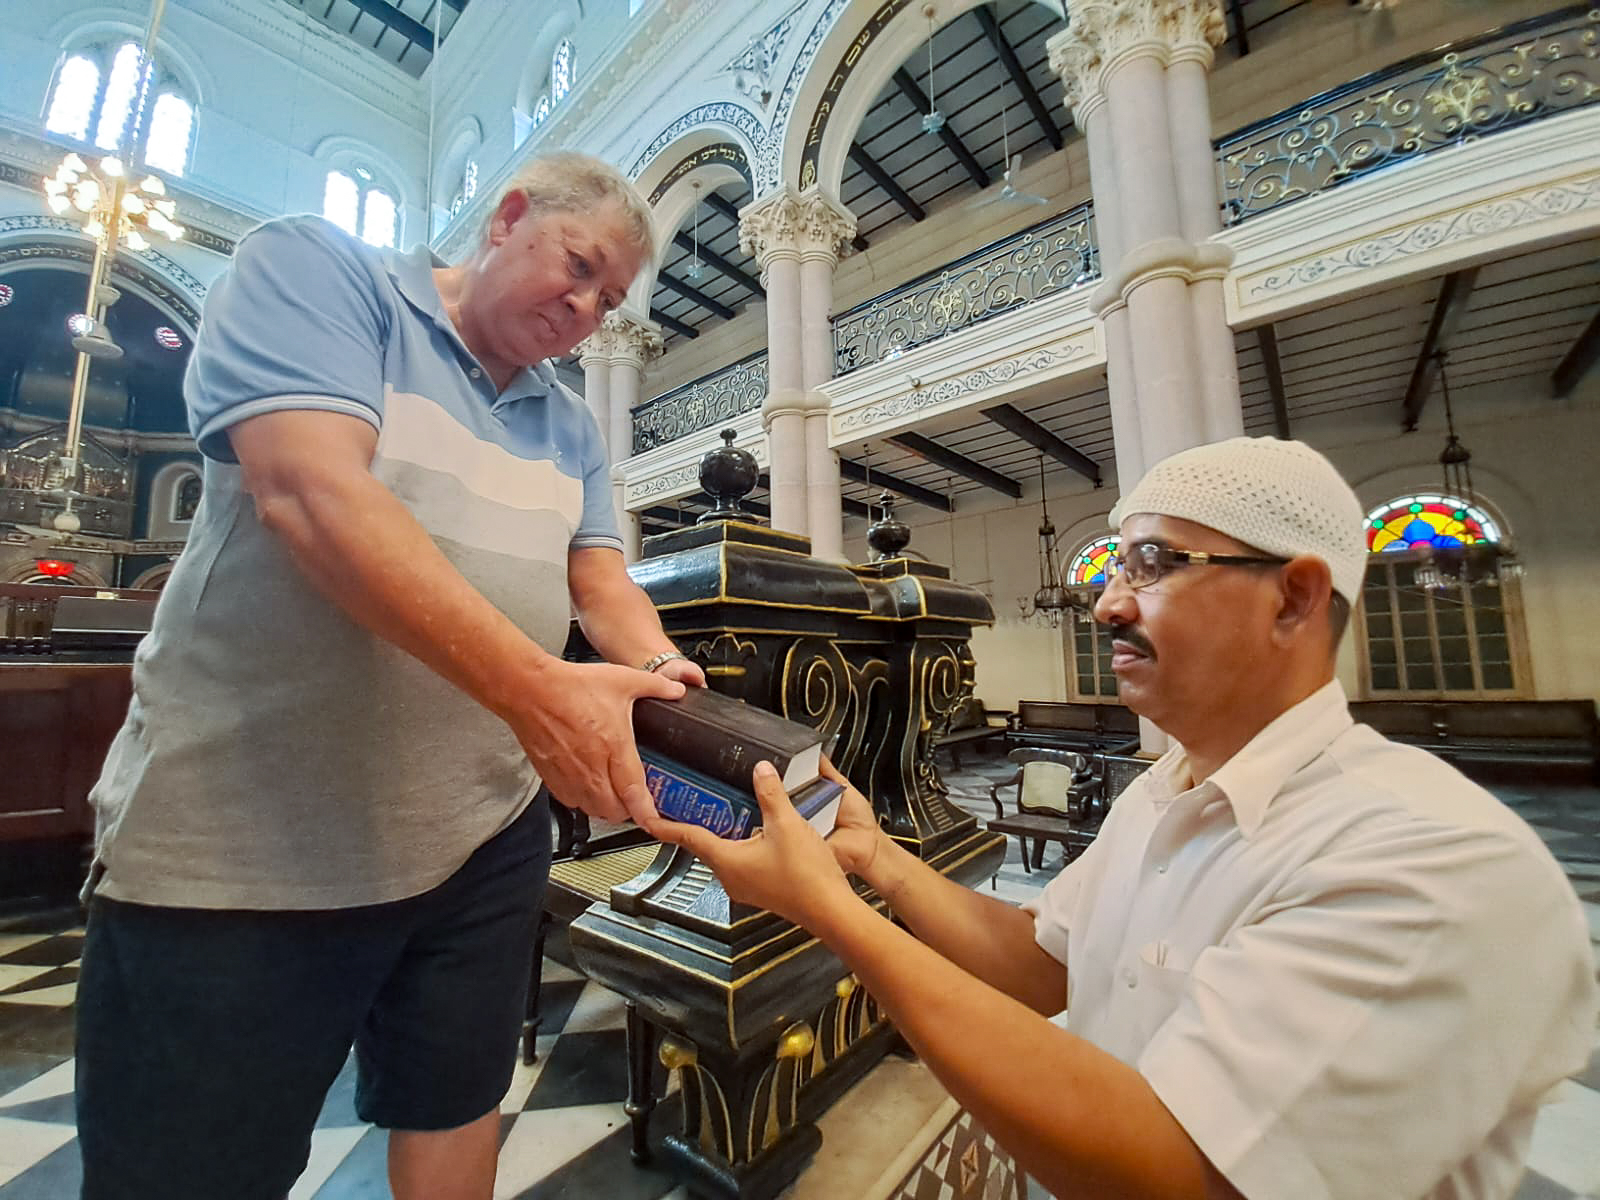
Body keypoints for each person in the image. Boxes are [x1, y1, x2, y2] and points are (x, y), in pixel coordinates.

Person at [659, 437, 1599, 1200]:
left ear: (1296, 597)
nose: (1107, 601)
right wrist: (878, 863)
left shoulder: (1430, 860)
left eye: (1153, 563)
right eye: (1114, 567)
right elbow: (1041, 963)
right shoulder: (1166, 789)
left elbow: (1173, 1169)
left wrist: (831, 912)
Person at [76, 151, 705, 1200]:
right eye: (581, 265)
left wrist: (661, 672)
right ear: (508, 218)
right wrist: (539, 693)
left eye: (612, 296)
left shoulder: (570, 422)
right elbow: (311, 494)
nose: (591, 307)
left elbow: (598, 577)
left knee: (456, 1106)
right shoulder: (320, 274)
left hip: (482, 833)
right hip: (247, 838)